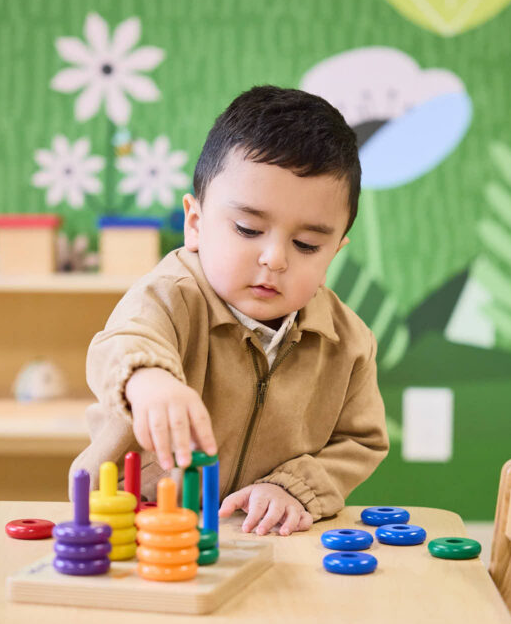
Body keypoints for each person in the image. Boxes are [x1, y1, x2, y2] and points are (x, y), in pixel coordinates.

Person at [71, 85, 388, 536]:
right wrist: (149, 379)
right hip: (139, 524)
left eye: (307, 245)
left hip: (258, 536)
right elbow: (122, 344)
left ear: (335, 251)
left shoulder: (349, 342)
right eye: (248, 228)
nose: (275, 258)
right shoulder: (170, 295)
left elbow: (361, 440)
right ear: (195, 223)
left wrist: (294, 489)